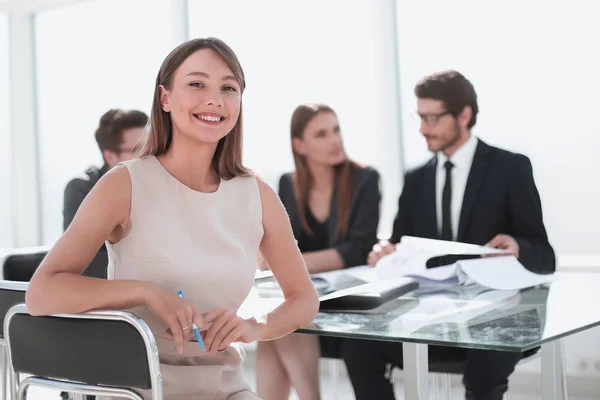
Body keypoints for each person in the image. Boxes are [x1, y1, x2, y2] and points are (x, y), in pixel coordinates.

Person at [26, 37, 320, 400]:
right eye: (197, 83)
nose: (214, 98)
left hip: (224, 386)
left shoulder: (257, 195)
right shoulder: (125, 184)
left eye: (228, 87)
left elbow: (304, 299)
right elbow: (42, 293)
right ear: (164, 98)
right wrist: (147, 293)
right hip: (136, 386)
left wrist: (255, 326)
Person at [341, 69, 555, 400]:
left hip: (494, 318)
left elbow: (544, 254)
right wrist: (388, 251)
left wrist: (517, 246)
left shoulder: (510, 168)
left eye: (433, 118)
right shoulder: (416, 179)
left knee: (485, 364)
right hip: (431, 317)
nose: (423, 129)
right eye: (420, 117)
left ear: (464, 115)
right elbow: (402, 244)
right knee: (358, 346)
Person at [256, 104, 381, 400]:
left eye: (336, 130)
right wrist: (272, 257)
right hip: (309, 295)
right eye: (322, 134)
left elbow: (359, 249)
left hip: (350, 297)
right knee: (280, 318)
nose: (334, 140)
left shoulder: (365, 179)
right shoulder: (288, 184)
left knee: (284, 317)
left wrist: (290, 265)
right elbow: (282, 242)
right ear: (299, 145)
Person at [62, 109, 147, 280]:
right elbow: (88, 265)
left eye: (150, 146)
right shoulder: (81, 189)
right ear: (109, 156)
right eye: (137, 149)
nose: (148, 155)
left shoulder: (157, 185)